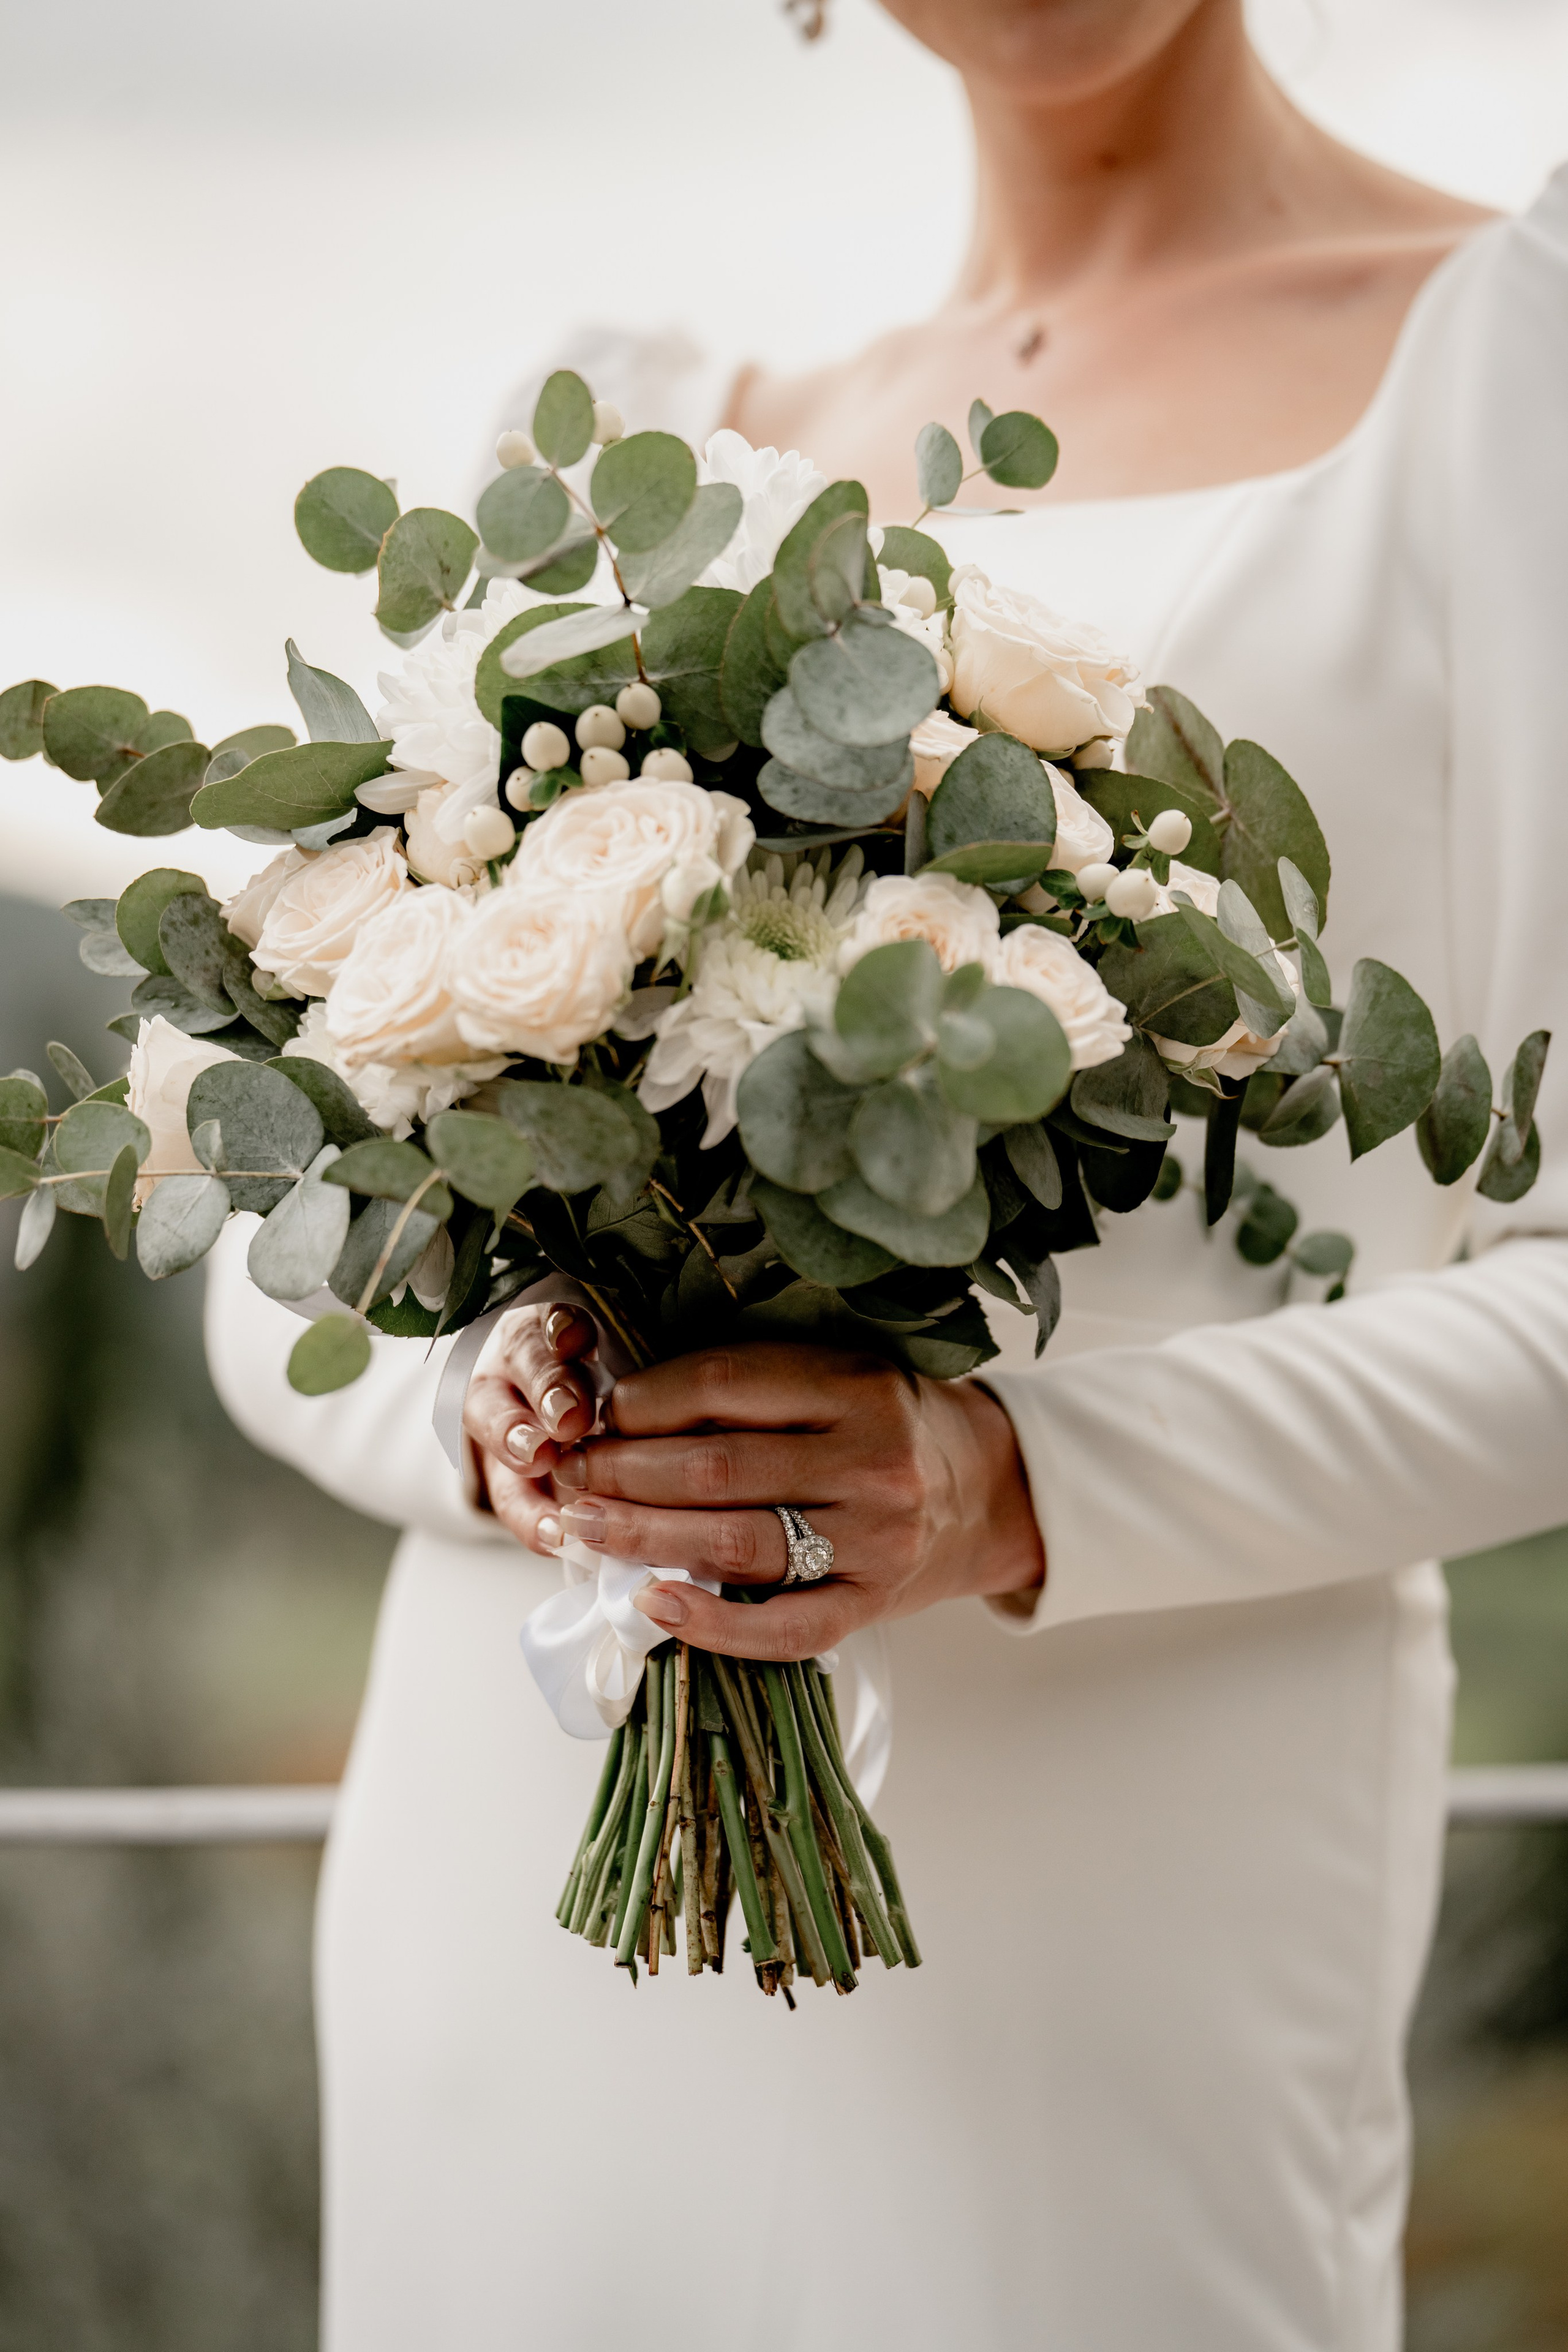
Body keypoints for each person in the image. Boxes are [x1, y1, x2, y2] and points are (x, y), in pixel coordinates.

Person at [205, 2, 1568, 2345]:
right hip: (513, 1859)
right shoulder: (626, 431)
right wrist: (500, 1398)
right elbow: (265, 1256)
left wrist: (1012, 1477)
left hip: (1119, 1945)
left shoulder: (1512, 377)